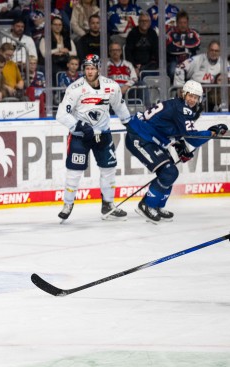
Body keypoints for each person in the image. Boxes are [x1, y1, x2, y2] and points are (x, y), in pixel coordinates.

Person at [125, 80, 227, 222]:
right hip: (140, 136)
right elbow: (193, 138)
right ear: (184, 94)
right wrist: (212, 132)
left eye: (195, 97)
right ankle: (147, 205)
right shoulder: (182, 109)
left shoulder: (177, 105)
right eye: (190, 95)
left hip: (149, 137)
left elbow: (169, 128)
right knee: (168, 172)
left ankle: (157, 206)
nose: (192, 99)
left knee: (171, 172)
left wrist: (180, 148)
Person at [55, 54, 132, 221]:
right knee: (74, 172)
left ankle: (108, 205)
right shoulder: (75, 88)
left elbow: (119, 106)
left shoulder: (111, 87)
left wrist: (129, 124)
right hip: (80, 136)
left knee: (109, 169)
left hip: (103, 135)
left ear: (98, 69)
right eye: (87, 68)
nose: (89, 72)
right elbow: (61, 114)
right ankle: (68, 204)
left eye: (92, 68)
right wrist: (79, 126)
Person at [165, 11, 200, 78]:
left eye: (185, 23)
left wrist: (181, 43)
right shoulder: (170, 32)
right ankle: (175, 88)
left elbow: (196, 44)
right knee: (172, 71)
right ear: (177, 23)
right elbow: (170, 49)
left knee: (197, 72)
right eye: (180, 23)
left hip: (190, 59)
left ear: (188, 23)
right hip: (175, 60)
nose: (183, 25)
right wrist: (187, 47)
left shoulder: (194, 32)